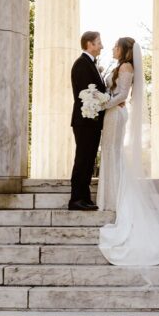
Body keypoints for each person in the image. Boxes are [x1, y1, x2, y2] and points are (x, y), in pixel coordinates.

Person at [96, 37, 159, 287]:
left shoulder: (127, 68)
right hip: (111, 112)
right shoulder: (115, 67)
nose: (113, 49)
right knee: (109, 151)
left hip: (115, 113)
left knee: (112, 150)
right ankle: (109, 194)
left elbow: (123, 94)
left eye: (117, 46)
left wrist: (102, 103)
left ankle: (113, 196)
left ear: (125, 50)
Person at [68, 31, 105, 211]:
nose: (101, 46)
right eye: (99, 42)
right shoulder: (82, 64)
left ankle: (85, 197)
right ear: (89, 44)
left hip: (92, 121)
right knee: (83, 159)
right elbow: (86, 95)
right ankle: (76, 199)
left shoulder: (90, 64)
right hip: (84, 121)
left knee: (89, 160)